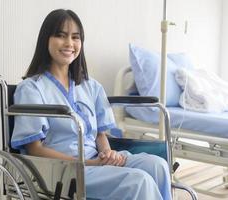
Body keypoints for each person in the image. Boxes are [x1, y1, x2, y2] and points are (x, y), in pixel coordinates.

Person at [11, 9, 172, 200]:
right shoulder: (31, 89)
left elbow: (100, 134)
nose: (69, 43)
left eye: (75, 37)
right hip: (63, 171)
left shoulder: (91, 86)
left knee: (158, 165)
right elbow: (34, 149)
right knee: (139, 181)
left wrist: (107, 154)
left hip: (95, 161)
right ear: (46, 39)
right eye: (61, 36)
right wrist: (86, 163)